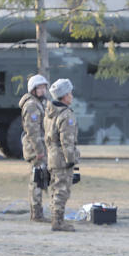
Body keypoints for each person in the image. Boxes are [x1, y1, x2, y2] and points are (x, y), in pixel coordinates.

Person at [44, 78, 79, 232]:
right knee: (62, 190)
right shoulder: (66, 115)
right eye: (70, 93)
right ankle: (58, 222)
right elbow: (67, 141)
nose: (71, 96)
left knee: (56, 189)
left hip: (52, 156)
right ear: (64, 96)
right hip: (62, 159)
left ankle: (56, 218)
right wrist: (71, 160)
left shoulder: (50, 113)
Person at [20, 74, 50, 222]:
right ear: (33, 89)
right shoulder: (31, 105)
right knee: (37, 180)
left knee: (40, 178)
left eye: (44, 87)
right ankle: (36, 213)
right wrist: (39, 151)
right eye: (40, 87)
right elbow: (33, 130)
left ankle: (38, 212)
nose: (43, 90)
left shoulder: (39, 103)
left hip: (40, 147)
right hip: (35, 149)